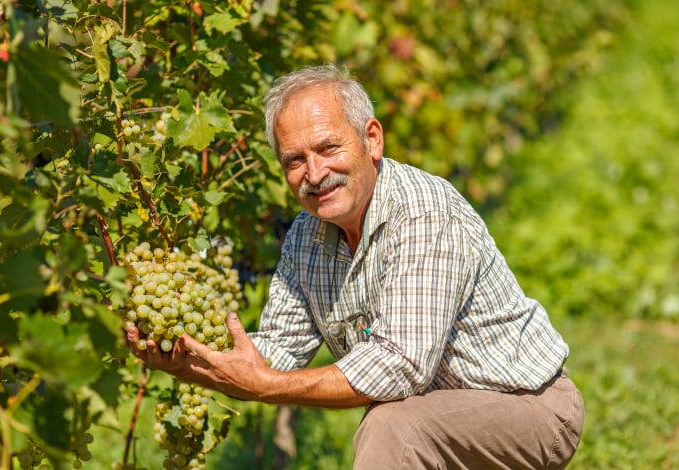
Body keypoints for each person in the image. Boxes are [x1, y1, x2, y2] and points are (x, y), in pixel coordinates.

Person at [127, 63, 584, 469]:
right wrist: (193, 361)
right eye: (294, 160)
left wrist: (266, 386)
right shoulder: (306, 237)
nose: (314, 173)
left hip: (527, 407)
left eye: (328, 148)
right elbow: (280, 350)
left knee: (394, 427)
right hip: (435, 412)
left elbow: (400, 366)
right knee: (400, 422)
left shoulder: (424, 214)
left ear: (372, 139)